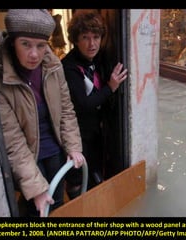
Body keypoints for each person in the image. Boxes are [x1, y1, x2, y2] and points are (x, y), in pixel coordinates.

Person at [0, 9, 85, 217]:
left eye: (41, 46)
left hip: (54, 148)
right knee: (36, 205)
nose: (34, 54)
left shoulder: (54, 67)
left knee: (56, 201)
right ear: (13, 42)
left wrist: (74, 146)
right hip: (27, 154)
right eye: (26, 44)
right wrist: (34, 186)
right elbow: (12, 139)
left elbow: (66, 110)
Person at [61, 10, 127, 199]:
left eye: (96, 37)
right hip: (77, 135)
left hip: (97, 130)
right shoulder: (68, 67)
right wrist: (110, 87)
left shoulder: (98, 59)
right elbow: (84, 104)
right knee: (77, 180)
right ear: (76, 39)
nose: (92, 44)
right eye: (85, 38)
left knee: (96, 173)